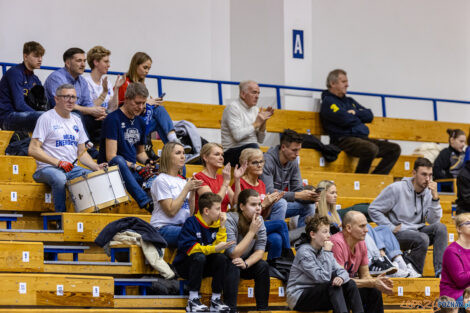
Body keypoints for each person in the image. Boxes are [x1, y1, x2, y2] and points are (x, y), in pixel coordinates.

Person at [316, 180, 418, 278]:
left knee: (384, 229)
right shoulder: (318, 212)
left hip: (346, 237)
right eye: (332, 193)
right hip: (338, 241)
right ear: (324, 194)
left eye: (336, 193)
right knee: (365, 227)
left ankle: (400, 262)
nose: (336, 195)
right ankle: (378, 259)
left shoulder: (335, 212)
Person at [28, 84, 106, 212]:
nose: (71, 100)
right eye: (66, 97)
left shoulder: (76, 120)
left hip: (71, 168)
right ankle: (61, 218)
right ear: (56, 99)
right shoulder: (46, 118)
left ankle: (86, 217)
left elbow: (82, 152)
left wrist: (96, 167)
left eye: (73, 97)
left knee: (93, 178)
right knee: (59, 178)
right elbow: (33, 149)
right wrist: (59, 162)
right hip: (47, 168)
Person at [368, 157, 447, 277]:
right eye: (424, 174)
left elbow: (433, 221)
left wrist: (435, 198)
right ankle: (414, 272)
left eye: (430, 175)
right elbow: (373, 209)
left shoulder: (428, 192)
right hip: (399, 233)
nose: (427, 179)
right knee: (422, 238)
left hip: (418, 230)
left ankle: (440, 272)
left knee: (440, 228)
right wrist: (390, 227)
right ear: (414, 173)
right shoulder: (397, 188)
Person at [320, 69, 401, 174]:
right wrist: (357, 117)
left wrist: (355, 113)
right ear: (332, 83)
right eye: (343, 82)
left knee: (394, 149)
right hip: (343, 140)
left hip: (361, 139)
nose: (347, 85)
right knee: (370, 149)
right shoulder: (329, 102)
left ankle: (375, 179)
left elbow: (369, 115)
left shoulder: (350, 101)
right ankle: (360, 178)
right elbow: (345, 119)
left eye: (347, 82)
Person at [286, 215, 363, 313]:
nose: (329, 235)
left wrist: (341, 278)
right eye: (325, 231)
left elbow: (343, 272)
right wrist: (327, 253)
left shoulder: (323, 250)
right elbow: (323, 278)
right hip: (299, 297)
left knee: (349, 284)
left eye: (329, 231)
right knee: (332, 285)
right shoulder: (304, 253)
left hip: (319, 293)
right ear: (313, 234)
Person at [98, 82, 155, 212]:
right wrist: (136, 166)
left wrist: (148, 162)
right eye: (137, 103)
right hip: (112, 171)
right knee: (118, 160)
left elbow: (140, 153)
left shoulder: (140, 121)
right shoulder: (113, 119)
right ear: (127, 99)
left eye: (143, 103)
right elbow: (111, 157)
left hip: (132, 172)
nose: (140, 107)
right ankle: (146, 202)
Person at [173, 192, 234, 312]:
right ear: (206, 211)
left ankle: (216, 300)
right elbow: (191, 249)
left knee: (222, 259)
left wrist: (222, 227)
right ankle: (193, 300)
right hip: (185, 266)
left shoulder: (218, 224)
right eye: (217, 209)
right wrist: (213, 249)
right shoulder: (191, 222)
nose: (221, 212)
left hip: (203, 265)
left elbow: (219, 250)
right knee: (199, 256)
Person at [331, 211, 393, 313]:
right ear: (348, 228)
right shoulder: (337, 243)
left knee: (374, 291)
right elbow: (342, 282)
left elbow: (365, 276)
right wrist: (373, 282)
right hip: (335, 290)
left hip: (349, 289)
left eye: (366, 226)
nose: (367, 230)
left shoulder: (361, 243)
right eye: (362, 226)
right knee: (359, 288)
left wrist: (379, 282)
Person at [235, 148, 290, 263]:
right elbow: (239, 212)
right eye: (255, 162)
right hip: (244, 226)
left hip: (258, 223)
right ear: (246, 165)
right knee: (281, 224)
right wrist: (264, 204)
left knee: (276, 238)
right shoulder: (240, 182)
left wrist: (270, 204)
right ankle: (288, 256)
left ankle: (275, 268)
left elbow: (263, 216)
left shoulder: (262, 184)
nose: (260, 165)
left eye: (261, 161)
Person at [44, 47, 107, 146]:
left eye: (84, 61)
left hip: (76, 116)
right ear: (68, 63)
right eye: (79, 61)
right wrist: (90, 110)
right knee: (77, 115)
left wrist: (99, 112)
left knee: (108, 117)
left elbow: (88, 104)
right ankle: (88, 149)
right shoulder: (57, 78)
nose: (83, 64)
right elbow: (64, 105)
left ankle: (105, 151)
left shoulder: (82, 81)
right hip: (58, 116)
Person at [224, 189, 270, 311]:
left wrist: (246, 263)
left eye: (259, 204)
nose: (258, 208)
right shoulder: (230, 219)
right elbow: (233, 253)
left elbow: (260, 251)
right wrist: (251, 232)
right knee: (233, 264)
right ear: (242, 206)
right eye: (253, 205)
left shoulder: (259, 221)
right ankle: (231, 309)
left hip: (244, 262)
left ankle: (262, 309)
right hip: (226, 263)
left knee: (263, 266)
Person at [118, 52, 178, 145]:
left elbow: (141, 108)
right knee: (159, 109)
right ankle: (174, 142)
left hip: (139, 122)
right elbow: (123, 107)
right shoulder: (124, 82)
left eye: (149, 69)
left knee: (159, 119)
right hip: (126, 125)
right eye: (145, 67)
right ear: (135, 65)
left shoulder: (142, 85)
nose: (147, 71)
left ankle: (173, 147)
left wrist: (150, 103)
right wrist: (147, 102)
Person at [149, 142, 202, 247]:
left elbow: (190, 214)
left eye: (183, 153)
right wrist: (186, 189)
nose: (183, 156)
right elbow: (171, 211)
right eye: (178, 153)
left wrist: (192, 192)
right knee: (195, 235)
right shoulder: (161, 180)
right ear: (168, 156)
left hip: (182, 227)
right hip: (163, 228)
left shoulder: (183, 181)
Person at [261, 129, 317, 227]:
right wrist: (297, 195)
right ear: (283, 147)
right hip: (263, 205)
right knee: (281, 203)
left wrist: (310, 197)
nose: (297, 154)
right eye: (294, 150)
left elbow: (298, 189)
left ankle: (302, 240)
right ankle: (277, 236)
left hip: (281, 204)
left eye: (299, 150)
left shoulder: (293, 161)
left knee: (310, 206)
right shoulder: (267, 160)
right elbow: (268, 192)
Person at [221, 80, 274, 166]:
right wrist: (256, 124)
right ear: (243, 94)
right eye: (254, 93)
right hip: (231, 152)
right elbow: (237, 136)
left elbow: (261, 140)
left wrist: (263, 122)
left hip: (251, 149)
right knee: (255, 152)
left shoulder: (255, 109)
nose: (257, 96)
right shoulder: (233, 108)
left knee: (270, 157)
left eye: (258, 93)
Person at [83, 46, 125, 144]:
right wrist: (104, 92)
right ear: (96, 62)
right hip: (92, 119)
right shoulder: (85, 82)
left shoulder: (107, 82)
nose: (109, 65)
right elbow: (90, 108)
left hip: (105, 118)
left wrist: (117, 89)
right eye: (106, 62)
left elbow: (113, 108)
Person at [0, 41, 46, 131]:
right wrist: (45, 116)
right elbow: (19, 105)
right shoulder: (15, 73)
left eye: (41, 56)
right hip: (8, 117)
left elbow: (42, 103)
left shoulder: (35, 79)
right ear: (25, 57)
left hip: (26, 115)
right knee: (44, 118)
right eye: (36, 56)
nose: (40, 59)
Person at [194, 142, 246, 213]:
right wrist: (225, 183)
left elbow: (235, 203)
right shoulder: (199, 177)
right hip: (207, 222)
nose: (221, 158)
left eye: (222, 155)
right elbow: (212, 204)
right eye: (217, 154)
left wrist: (237, 180)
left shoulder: (221, 178)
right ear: (205, 158)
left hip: (223, 220)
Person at [440, 213, 470, 305]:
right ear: (459, 229)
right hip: (453, 297)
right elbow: (460, 281)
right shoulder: (452, 251)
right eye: (468, 223)